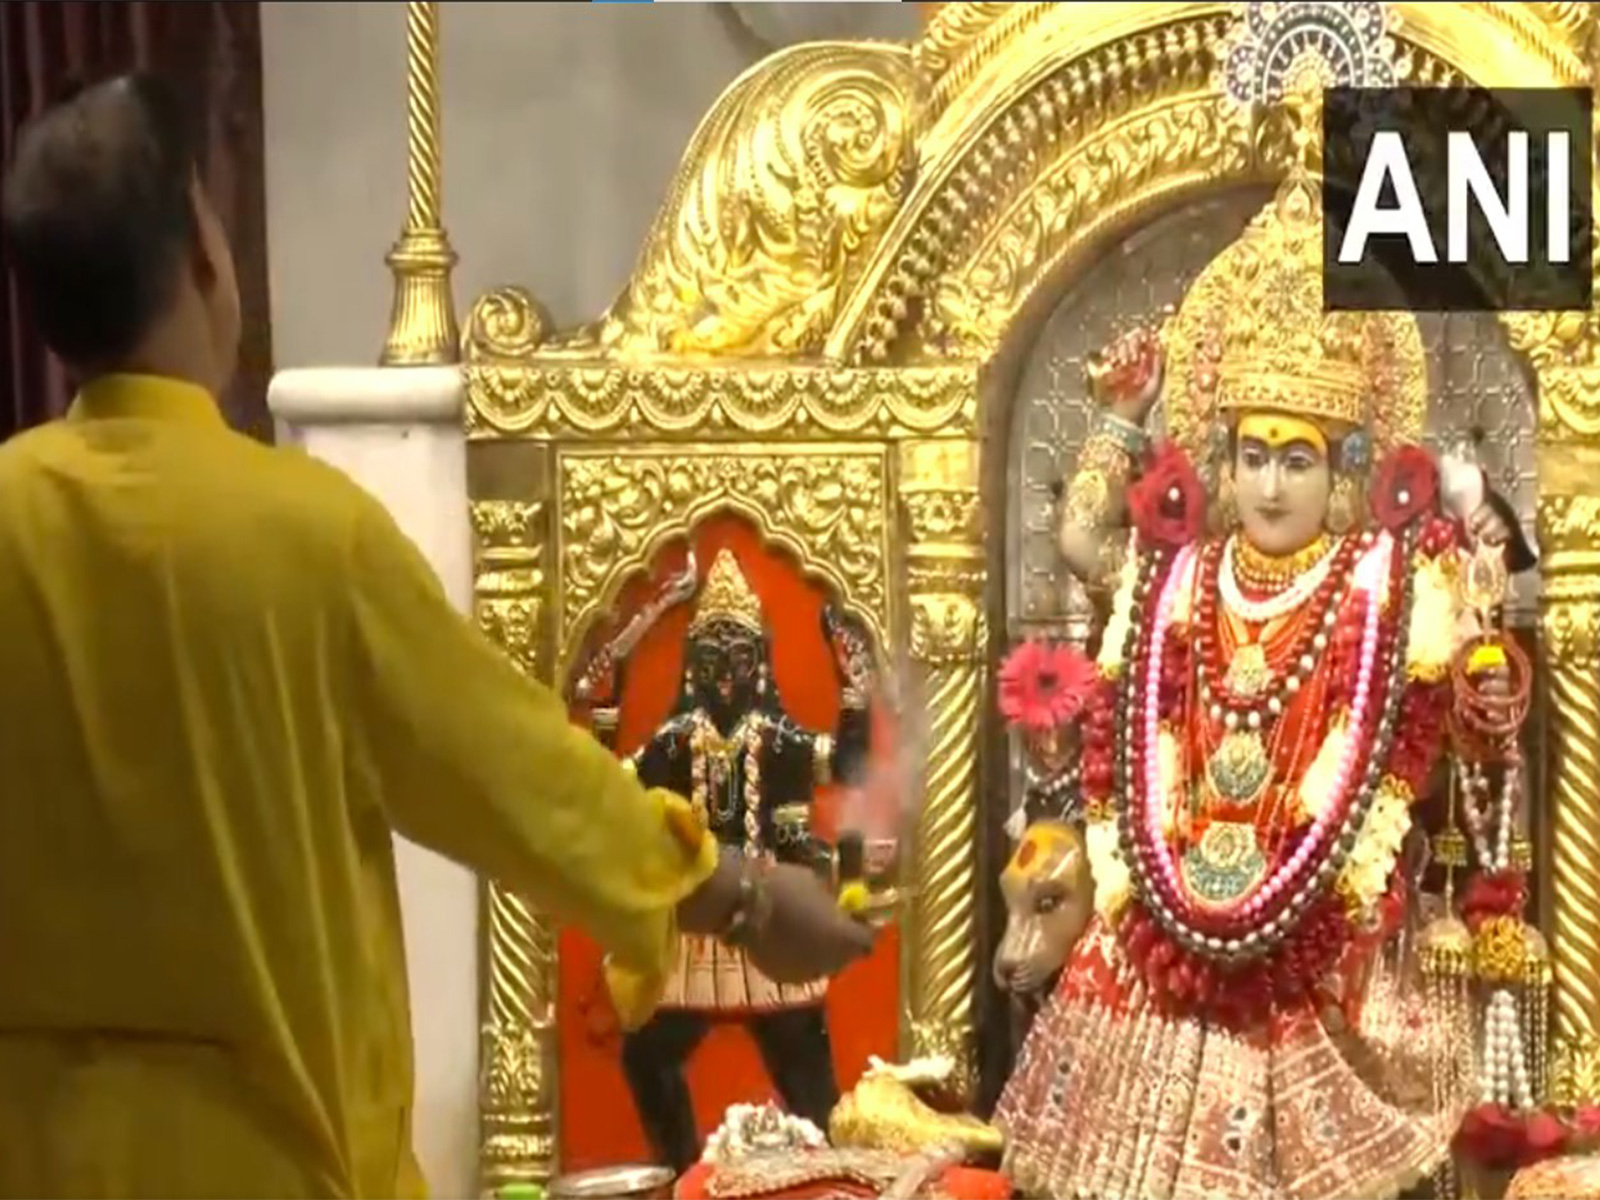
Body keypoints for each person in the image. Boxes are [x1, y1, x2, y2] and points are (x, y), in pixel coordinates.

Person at [0, 73, 872, 1198]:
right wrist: (742, 900)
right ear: (206, 262)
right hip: (282, 1159)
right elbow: (519, 778)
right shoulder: (306, 539)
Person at [996, 146, 1524, 1199]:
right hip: (1160, 906)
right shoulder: (1175, 573)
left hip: (1323, 918)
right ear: (1221, 461)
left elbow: (1452, 727)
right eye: (1250, 455)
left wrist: (1482, 671)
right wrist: (1117, 419)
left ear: (1340, 471)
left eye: (1297, 458)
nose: (1270, 483)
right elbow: (1078, 541)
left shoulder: (1384, 582)